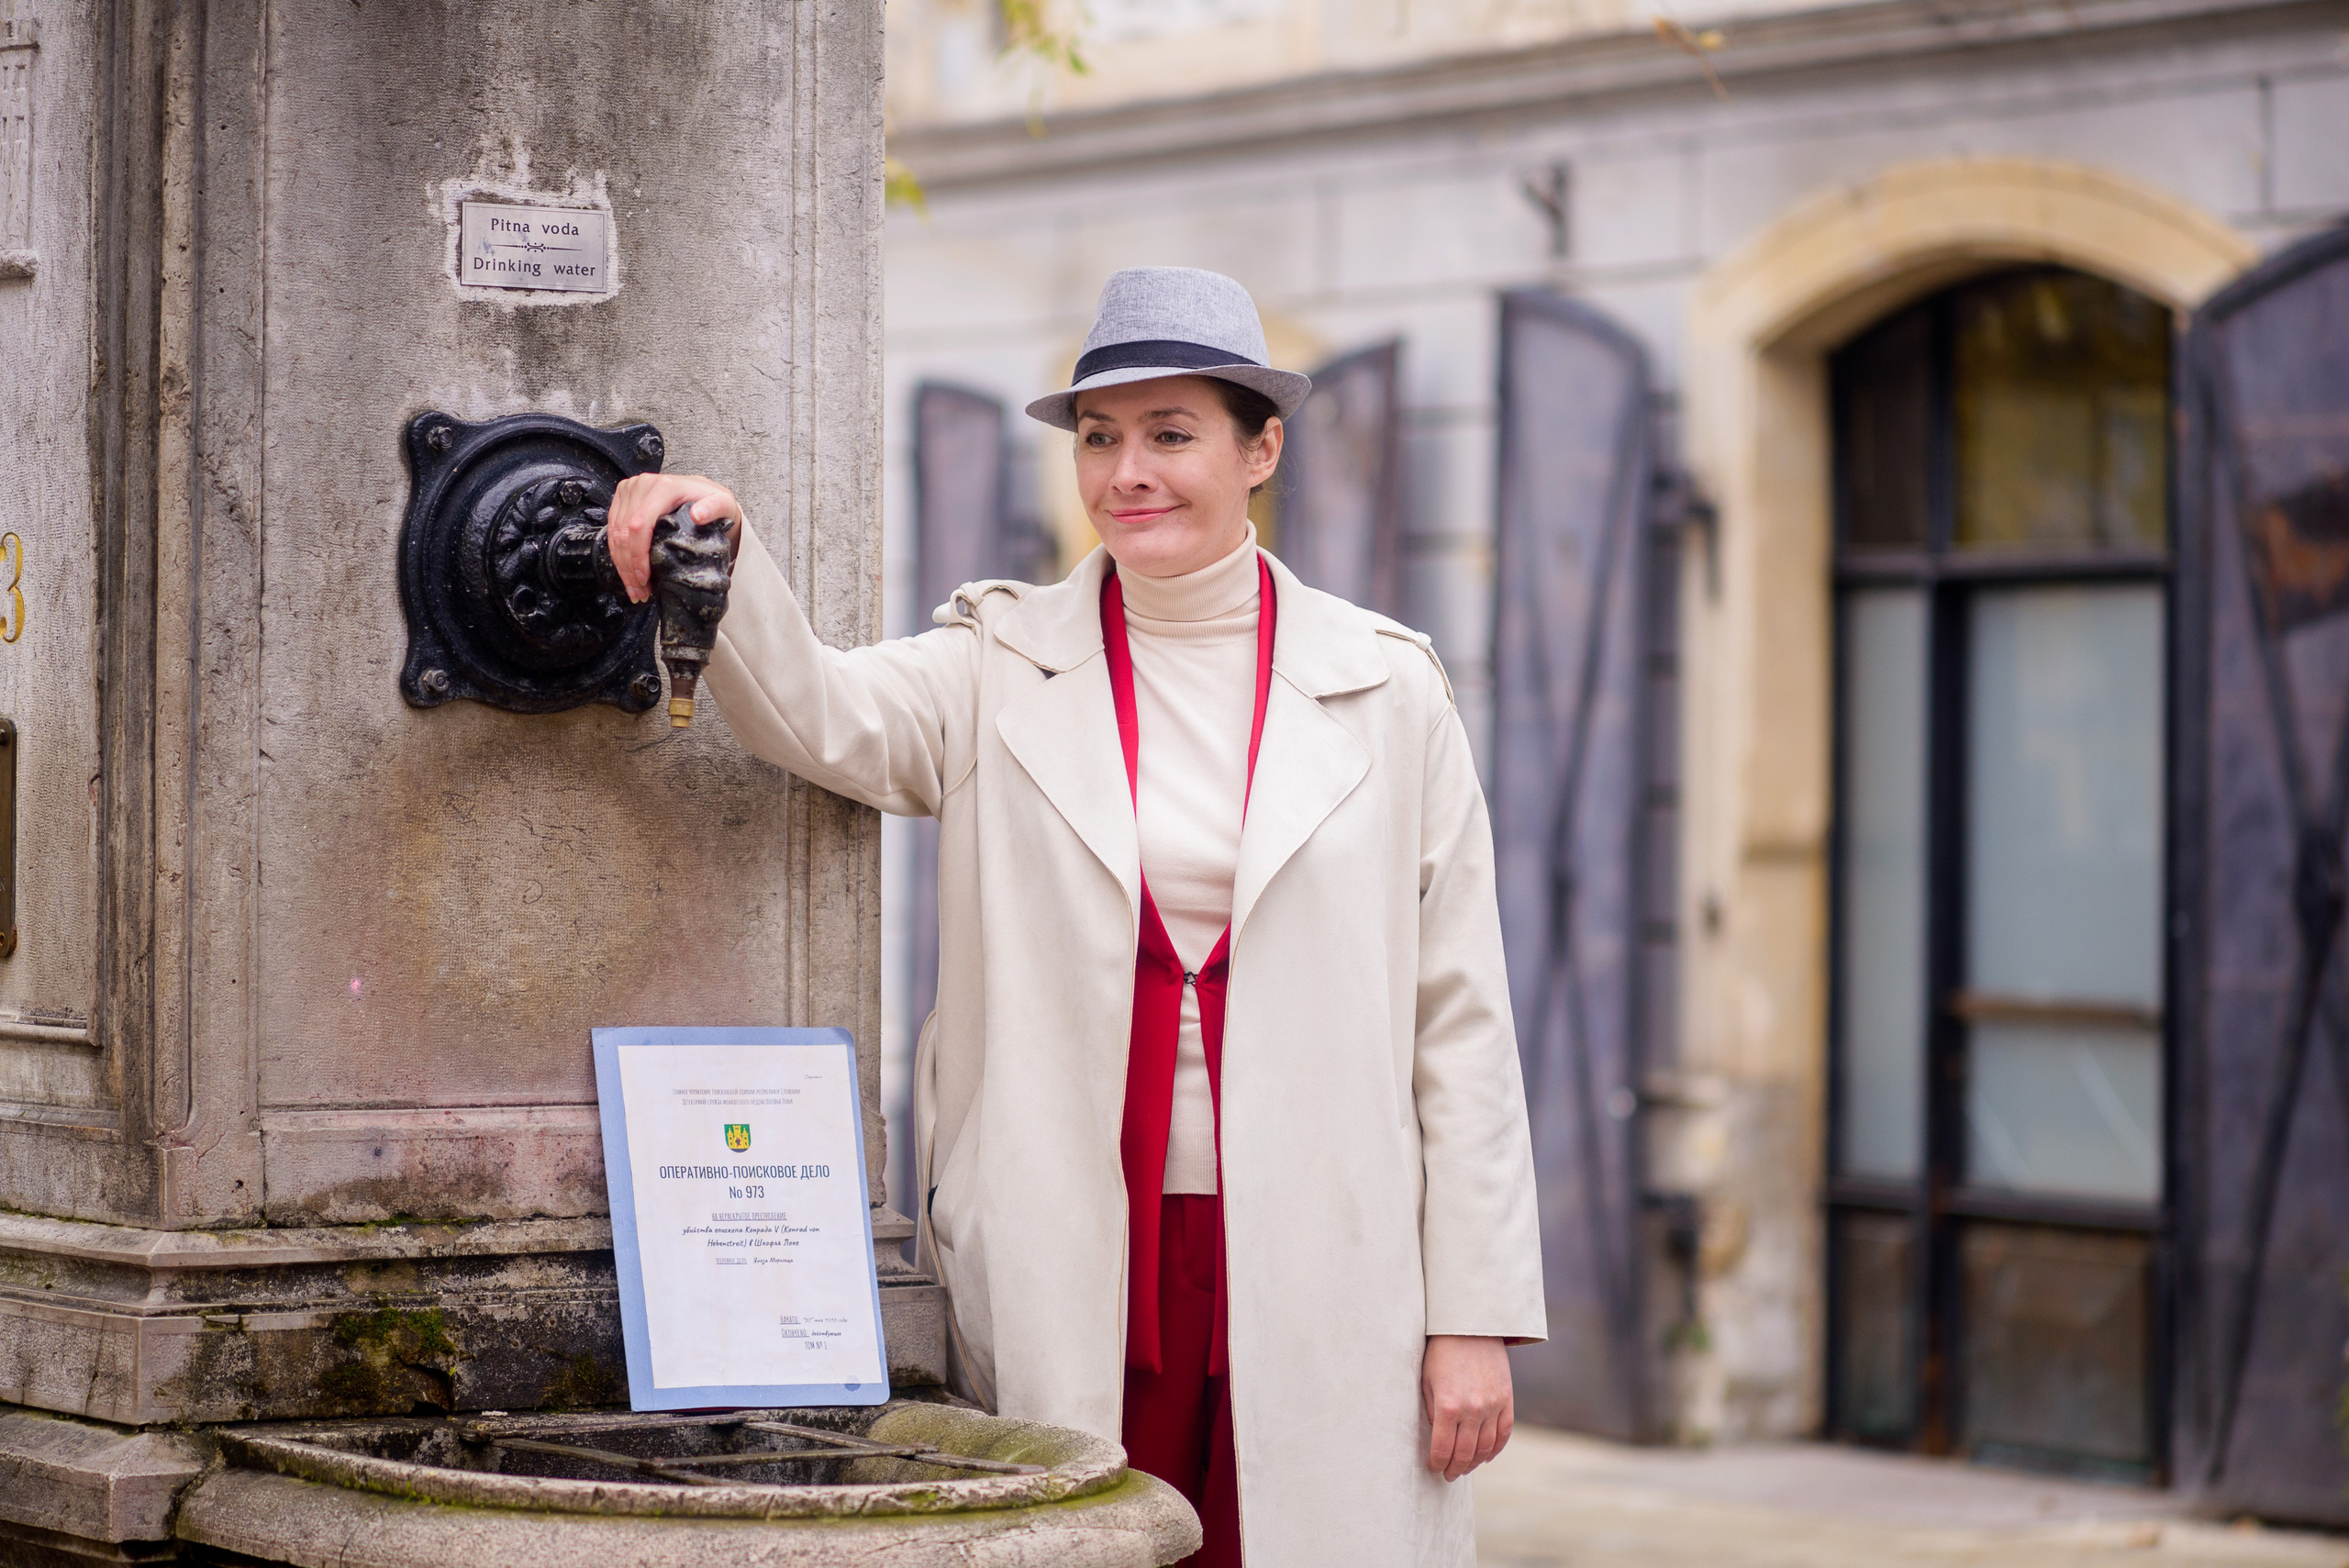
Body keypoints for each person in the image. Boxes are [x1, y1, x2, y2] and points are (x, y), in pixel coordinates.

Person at [605, 267, 1543, 1567]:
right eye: (1101, 436)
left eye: (1171, 434)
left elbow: (1464, 1022)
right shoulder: (996, 664)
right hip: (1072, 1243)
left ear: (1259, 449)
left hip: (1334, 1247)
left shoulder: (1388, 687)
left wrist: (1475, 1315)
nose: (1125, 473)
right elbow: (816, 709)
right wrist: (719, 550)